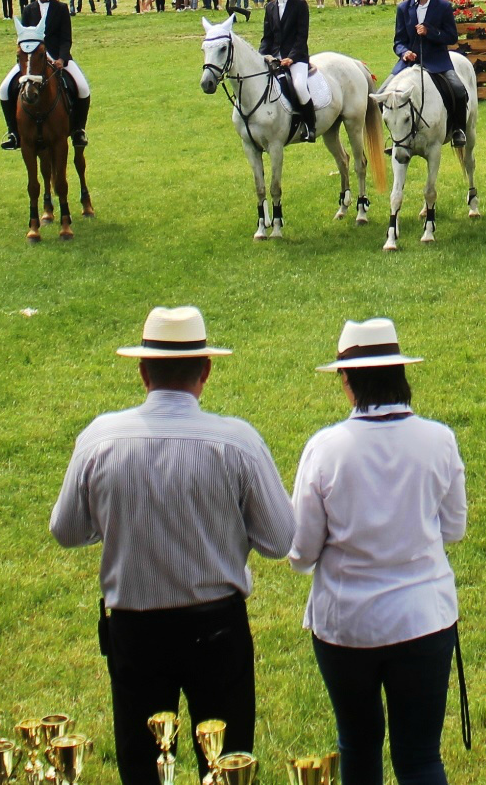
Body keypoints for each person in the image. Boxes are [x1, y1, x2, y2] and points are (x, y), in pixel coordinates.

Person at [49, 307, 294, 785]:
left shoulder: (101, 439)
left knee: (143, 770)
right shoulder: (237, 442)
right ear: (206, 370)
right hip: (217, 629)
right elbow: (280, 539)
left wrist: (115, 517)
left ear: (143, 372)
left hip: (135, 630)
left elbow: (66, 530)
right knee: (225, 769)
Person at [288, 320, 466, 785]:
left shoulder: (325, 449)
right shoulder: (439, 440)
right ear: (401, 375)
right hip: (423, 618)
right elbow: (455, 528)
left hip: (348, 625)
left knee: (358, 745)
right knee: (422, 756)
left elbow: (301, 551)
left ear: (347, 381)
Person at [0, 0, 93, 149]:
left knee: (82, 87)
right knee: (4, 88)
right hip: (33, 61)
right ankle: (13, 133)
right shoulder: (28, 10)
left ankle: (79, 130)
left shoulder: (61, 9)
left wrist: (62, 59)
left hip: (58, 57)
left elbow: (66, 38)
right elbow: (24, 38)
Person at [391, 0, 466, 146]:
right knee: (383, 93)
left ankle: (458, 130)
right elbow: (398, 41)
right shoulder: (403, 8)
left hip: (437, 61)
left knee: (459, 90)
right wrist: (404, 52)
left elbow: (451, 37)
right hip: (409, 63)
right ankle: (396, 136)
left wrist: (430, 31)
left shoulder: (443, 6)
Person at [259, 0, 319, 143]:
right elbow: (267, 37)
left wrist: (291, 58)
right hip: (275, 57)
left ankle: (310, 125)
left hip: (297, 57)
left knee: (299, 86)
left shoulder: (300, 5)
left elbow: (302, 36)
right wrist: (261, 56)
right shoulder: (270, 7)